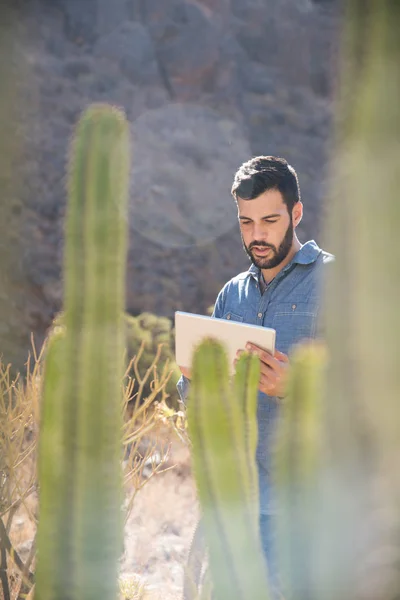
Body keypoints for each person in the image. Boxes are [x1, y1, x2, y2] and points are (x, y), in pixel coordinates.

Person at [176, 155, 333, 593]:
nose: (257, 235)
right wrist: (194, 383)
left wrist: (296, 388)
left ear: (296, 214)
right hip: (234, 504)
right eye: (246, 222)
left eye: (269, 220)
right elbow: (199, 405)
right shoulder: (233, 294)